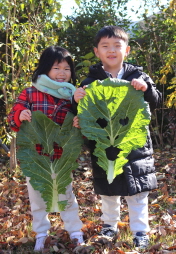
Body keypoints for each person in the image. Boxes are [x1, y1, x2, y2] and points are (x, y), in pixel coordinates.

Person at [73, 26, 162, 249]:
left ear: (127, 50)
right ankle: (109, 226)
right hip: (105, 145)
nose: (111, 50)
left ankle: (140, 231)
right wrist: (76, 99)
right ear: (97, 51)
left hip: (135, 145)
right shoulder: (89, 81)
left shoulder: (138, 75)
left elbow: (157, 100)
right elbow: (80, 114)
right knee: (109, 189)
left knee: (137, 191)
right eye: (105, 46)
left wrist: (146, 89)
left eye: (117, 46)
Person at [7, 46, 84, 251]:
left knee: (66, 195)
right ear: (44, 69)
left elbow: (82, 119)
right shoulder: (31, 92)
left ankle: (75, 231)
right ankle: (41, 233)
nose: (62, 73)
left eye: (67, 69)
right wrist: (20, 114)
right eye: (56, 68)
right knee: (38, 197)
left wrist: (79, 120)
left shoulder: (72, 95)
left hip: (62, 156)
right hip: (36, 157)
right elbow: (12, 116)